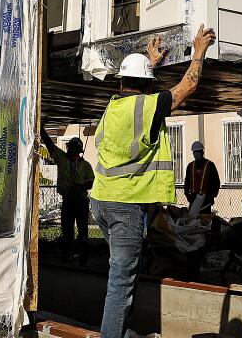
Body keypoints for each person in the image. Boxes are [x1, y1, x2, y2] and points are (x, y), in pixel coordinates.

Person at [90, 24, 217, 338]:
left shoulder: (113, 107)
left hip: (101, 203)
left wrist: (150, 62)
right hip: (125, 207)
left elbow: (140, 94)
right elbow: (187, 86)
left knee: (121, 270)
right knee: (121, 280)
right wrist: (199, 51)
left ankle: (119, 331)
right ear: (147, 84)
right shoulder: (148, 107)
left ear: (120, 81)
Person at [40, 127, 95, 265]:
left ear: (78, 150)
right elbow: (50, 144)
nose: (69, 150)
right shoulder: (62, 159)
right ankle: (66, 257)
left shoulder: (86, 165)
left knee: (83, 232)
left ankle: (83, 259)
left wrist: (80, 187)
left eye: (72, 148)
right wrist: (41, 130)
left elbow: (91, 183)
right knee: (67, 233)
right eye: (69, 147)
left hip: (81, 202)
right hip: (68, 202)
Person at [184, 141, 220, 214]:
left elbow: (216, 182)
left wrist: (212, 196)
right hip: (193, 198)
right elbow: (187, 182)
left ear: (202, 152)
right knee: (192, 219)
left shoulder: (210, 165)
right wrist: (188, 195)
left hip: (206, 198)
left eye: (197, 152)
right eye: (194, 152)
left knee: (204, 220)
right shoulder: (190, 166)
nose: (195, 154)